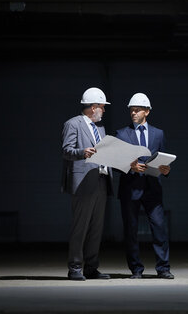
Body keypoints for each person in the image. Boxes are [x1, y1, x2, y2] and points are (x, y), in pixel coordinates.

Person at [116, 93, 174, 279]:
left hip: (152, 188)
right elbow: (114, 163)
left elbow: (164, 161)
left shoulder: (159, 134)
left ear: (147, 112)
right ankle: (136, 270)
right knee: (131, 231)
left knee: (159, 228)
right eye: (131, 110)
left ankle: (163, 268)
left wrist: (166, 170)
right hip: (130, 189)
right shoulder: (122, 134)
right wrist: (129, 166)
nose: (133, 112)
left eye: (137, 109)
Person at [61, 87, 113, 281]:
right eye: (102, 107)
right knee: (80, 227)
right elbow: (66, 150)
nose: (104, 111)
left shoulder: (100, 128)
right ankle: (74, 267)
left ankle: (91, 267)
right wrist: (82, 152)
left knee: (96, 228)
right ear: (93, 107)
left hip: (100, 180)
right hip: (83, 182)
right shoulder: (72, 124)